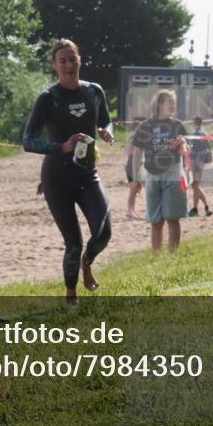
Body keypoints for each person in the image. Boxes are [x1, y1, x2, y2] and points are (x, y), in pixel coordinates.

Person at [23, 40, 114, 304]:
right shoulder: (48, 98)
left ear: (80, 61)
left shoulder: (94, 92)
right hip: (56, 180)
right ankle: (71, 297)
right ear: (55, 66)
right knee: (72, 244)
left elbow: (105, 119)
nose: (68, 65)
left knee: (103, 232)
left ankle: (88, 262)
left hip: (87, 175)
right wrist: (62, 146)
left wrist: (106, 129)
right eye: (62, 61)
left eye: (72, 59)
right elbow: (28, 141)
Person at [132, 90, 188, 252]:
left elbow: (187, 150)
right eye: (170, 102)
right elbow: (137, 152)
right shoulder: (146, 126)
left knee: (172, 218)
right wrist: (136, 178)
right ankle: (157, 256)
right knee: (155, 220)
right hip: (152, 176)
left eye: (174, 102)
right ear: (159, 104)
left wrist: (184, 143)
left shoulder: (177, 125)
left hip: (173, 175)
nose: (173, 105)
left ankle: (172, 255)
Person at [187, 116, 213, 217]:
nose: (191, 124)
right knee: (195, 186)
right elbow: (207, 148)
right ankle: (201, 208)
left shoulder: (194, 135)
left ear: (195, 123)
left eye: (192, 122)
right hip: (201, 162)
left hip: (195, 162)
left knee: (195, 185)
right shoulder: (204, 133)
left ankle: (198, 209)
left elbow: (191, 149)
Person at [124, 133, 143, 220]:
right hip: (132, 167)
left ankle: (131, 210)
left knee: (134, 189)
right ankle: (130, 210)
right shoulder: (134, 140)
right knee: (133, 189)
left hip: (137, 167)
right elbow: (131, 152)